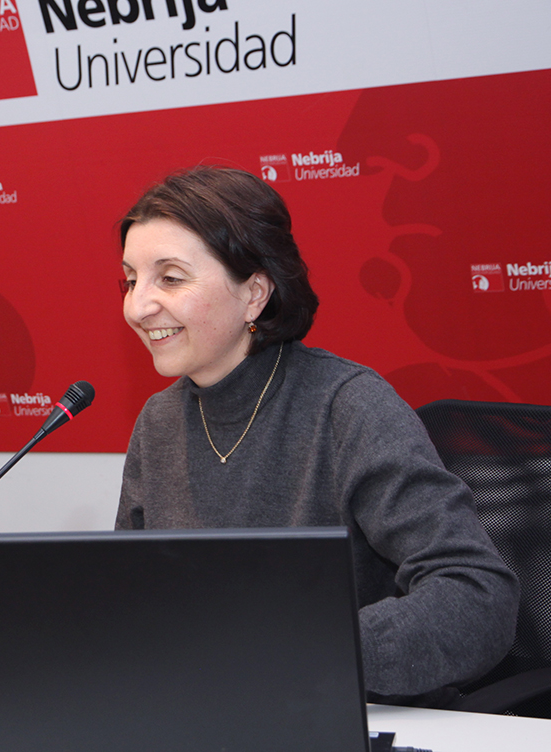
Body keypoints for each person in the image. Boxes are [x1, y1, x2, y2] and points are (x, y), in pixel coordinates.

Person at [114, 166, 519, 706]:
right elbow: (134, 600)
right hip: (212, 713)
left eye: (169, 278)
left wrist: (305, 652)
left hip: (343, 711)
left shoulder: (348, 405)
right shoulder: (158, 421)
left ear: (254, 294)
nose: (138, 306)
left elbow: (478, 595)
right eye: (130, 280)